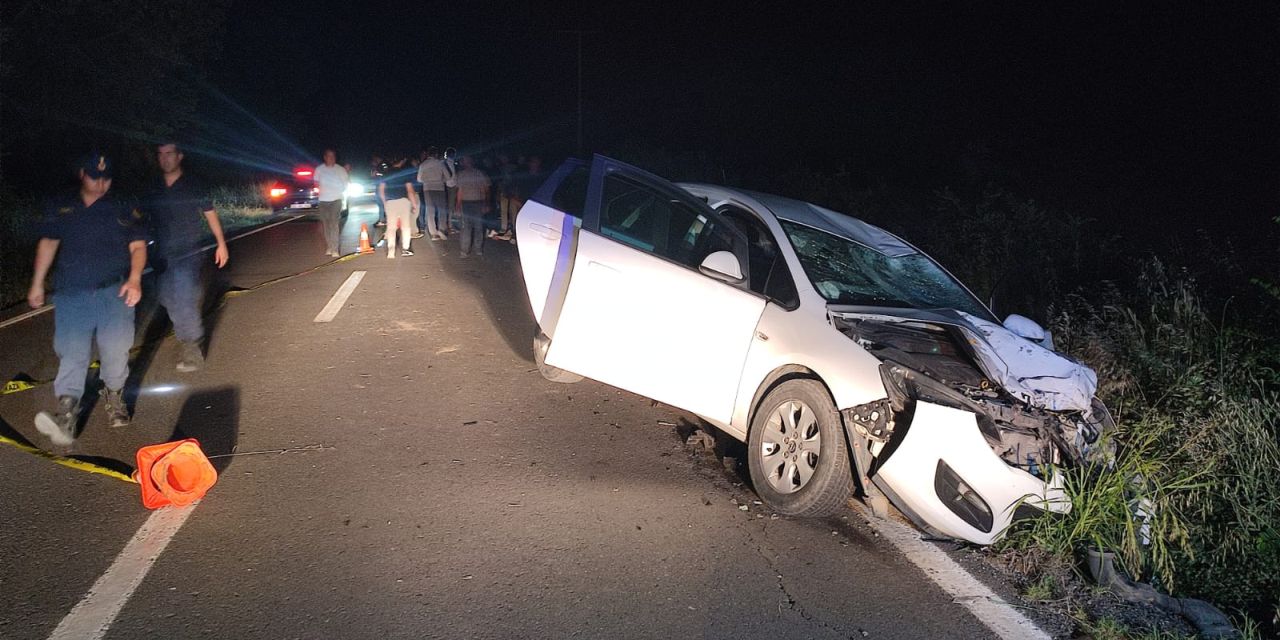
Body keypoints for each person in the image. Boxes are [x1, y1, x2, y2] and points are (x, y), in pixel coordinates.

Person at [29, 153, 148, 445]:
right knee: (71, 353)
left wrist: (134, 279)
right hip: (72, 294)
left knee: (116, 350)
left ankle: (115, 397)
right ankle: (67, 416)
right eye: (96, 177)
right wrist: (37, 283)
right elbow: (48, 242)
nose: (101, 183)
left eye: (106, 178)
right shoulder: (63, 206)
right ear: (83, 174)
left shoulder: (122, 207)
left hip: (114, 292)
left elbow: (138, 245)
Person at [145, 143, 229, 373]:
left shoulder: (193, 184)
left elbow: (209, 213)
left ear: (179, 156)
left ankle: (192, 346)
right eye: (160, 154)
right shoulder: (153, 186)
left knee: (183, 297)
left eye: (169, 154)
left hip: (188, 252)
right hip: (161, 254)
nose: (165, 158)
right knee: (166, 297)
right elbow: (143, 219)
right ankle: (187, 329)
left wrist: (221, 243)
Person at [378, 158, 419, 258]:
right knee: (405, 226)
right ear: (401, 162)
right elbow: (410, 190)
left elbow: (381, 190)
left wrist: (384, 203)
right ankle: (405, 249)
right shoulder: (404, 173)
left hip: (390, 202)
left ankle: (391, 250)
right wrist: (414, 204)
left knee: (391, 227)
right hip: (403, 202)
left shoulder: (386, 174)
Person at [313, 148, 349, 257]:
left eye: (333, 156)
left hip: (336, 200)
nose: (331, 158)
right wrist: (318, 192)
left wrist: (339, 192)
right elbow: (316, 183)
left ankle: (335, 249)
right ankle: (329, 246)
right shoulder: (319, 169)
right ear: (325, 157)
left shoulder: (340, 170)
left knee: (334, 224)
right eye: (329, 156)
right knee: (326, 224)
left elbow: (346, 184)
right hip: (323, 201)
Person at [453, 155, 491, 258]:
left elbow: (484, 190)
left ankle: (468, 251)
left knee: (471, 228)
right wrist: (458, 205)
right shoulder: (474, 174)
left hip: (473, 203)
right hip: (470, 203)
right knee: (472, 228)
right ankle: (470, 250)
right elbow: (484, 190)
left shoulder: (475, 174)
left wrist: (485, 203)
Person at [417, 147, 449, 240]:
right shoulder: (440, 163)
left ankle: (434, 233)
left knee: (430, 211)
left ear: (428, 154)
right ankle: (442, 229)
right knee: (441, 210)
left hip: (427, 189)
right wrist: (441, 180)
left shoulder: (423, 164)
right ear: (436, 154)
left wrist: (427, 181)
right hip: (440, 188)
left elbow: (419, 179)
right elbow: (448, 176)